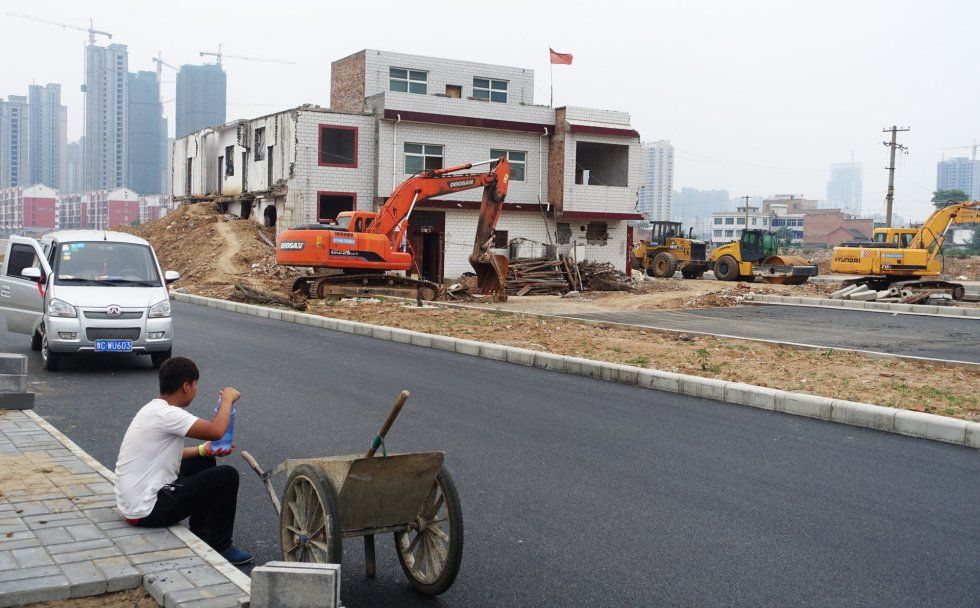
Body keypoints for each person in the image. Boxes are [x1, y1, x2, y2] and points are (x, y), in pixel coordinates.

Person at [114, 356, 252, 565]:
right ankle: (221, 546)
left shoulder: (153, 409)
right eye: (195, 385)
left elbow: (166, 456)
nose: (196, 390)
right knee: (227, 476)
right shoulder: (169, 415)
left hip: (133, 504)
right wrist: (227, 401)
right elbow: (216, 430)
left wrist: (202, 450)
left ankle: (202, 533)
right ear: (186, 386)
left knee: (202, 460)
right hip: (146, 511)